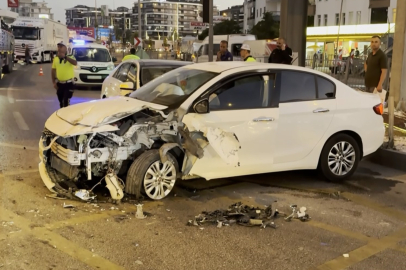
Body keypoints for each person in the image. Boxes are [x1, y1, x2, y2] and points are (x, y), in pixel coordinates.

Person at [51, 41, 77, 108]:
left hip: (68, 83)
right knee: (61, 102)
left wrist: (65, 57)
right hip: (60, 84)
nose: (59, 48)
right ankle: (62, 115)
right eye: (58, 47)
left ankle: (66, 116)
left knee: (65, 101)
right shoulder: (56, 58)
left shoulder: (70, 56)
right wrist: (54, 82)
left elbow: (75, 63)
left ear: (65, 48)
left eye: (61, 47)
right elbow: (53, 70)